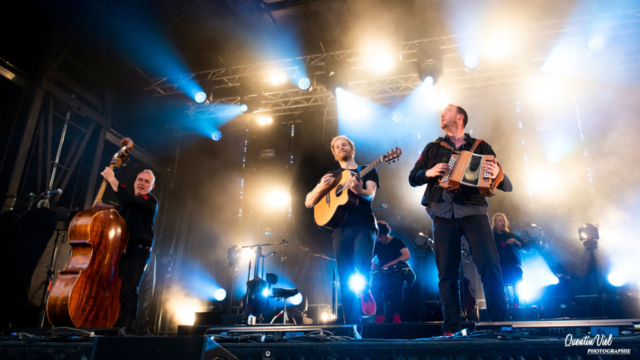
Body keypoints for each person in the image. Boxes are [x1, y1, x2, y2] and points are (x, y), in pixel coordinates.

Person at [408, 104, 511, 336]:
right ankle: (450, 328)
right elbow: (412, 178)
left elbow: (502, 180)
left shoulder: (480, 146)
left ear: (460, 117)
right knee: (447, 273)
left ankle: (498, 323)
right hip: (443, 213)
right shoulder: (433, 148)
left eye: (447, 111)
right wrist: (429, 172)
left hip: (474, 211)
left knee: (489, 265)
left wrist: (496, 175)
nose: (441, 114)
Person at [305, 135, 378, 330]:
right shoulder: (332, 175)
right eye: (337, 147)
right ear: (335, 155)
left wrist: (359, 190)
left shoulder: (366, 170)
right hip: (340, 229)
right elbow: (309, 201)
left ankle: (366, 289)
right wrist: (321, 187)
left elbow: (370, 194)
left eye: (344, 145)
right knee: (344, 276)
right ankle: (352, 325)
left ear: (352, 150)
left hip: (363, 225)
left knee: (362, 263)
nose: (341, 148)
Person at [101, 167, 158, 335]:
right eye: (140, 179)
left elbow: (130, 200)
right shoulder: (125, 205)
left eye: (146, 181)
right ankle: (110, 324)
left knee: (128, 289)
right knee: (113, 288)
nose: (142, 183)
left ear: (151, 186)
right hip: (121, 250)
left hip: (139, 250)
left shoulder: (150, 201)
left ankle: (126, 331)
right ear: (135, 182)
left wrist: (112, 179)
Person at [371, 220, 414, 323]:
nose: (379, 239)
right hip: (382, 272)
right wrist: (370, 263)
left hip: (396, 271)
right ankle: (380, 314)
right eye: (378, 236)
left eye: (380, 236)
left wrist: (391, 263)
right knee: (374, 284)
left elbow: (406, 255)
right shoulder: (377, 244)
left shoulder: (397, 241)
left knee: (397, 281)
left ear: (386, 234)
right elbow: (369, 257)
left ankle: (396, 314)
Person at [492, 213, 531, 308]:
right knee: (492, 272)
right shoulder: (491, 237)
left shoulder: (512, 235)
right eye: (500, 221)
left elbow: (529, 248)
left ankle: (516, 301)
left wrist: (517, 243)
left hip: (513, 266)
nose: (502, 223)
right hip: (498, 267)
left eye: (504, 221)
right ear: (495, 224)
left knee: (518, 270)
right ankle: (502, 298)